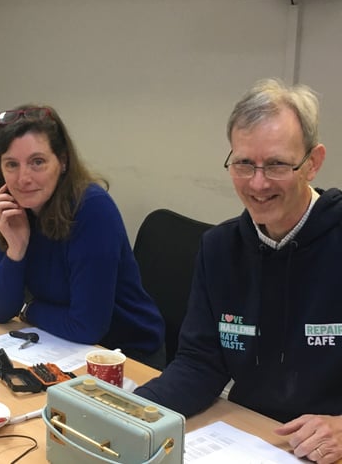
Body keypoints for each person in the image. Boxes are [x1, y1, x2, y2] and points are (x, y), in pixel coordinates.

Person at [134, 78, 342, 463]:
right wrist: (129, 414)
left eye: (277, 164)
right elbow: (199, 364)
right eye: (244, 163)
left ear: (312, 163)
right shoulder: (218, 249)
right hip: (250, 440)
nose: (258, 183)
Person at [0, 104, 165, 369]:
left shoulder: (92, 209)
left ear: (63, 161)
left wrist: (29, 308)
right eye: (11, 165)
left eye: (37, 162)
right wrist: (16, 248)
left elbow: (87, 326)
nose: (23, 178)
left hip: (125, 355)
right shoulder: (13, 207)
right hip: (59, 344)